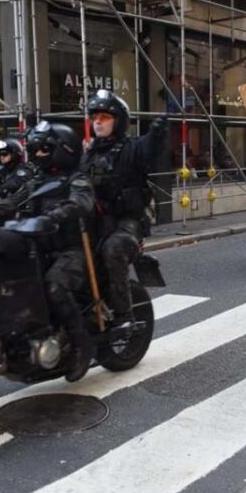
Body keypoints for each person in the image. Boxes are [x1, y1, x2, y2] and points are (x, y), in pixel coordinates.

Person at [0, 121, 95, 382]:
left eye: (44, 150)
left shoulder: (77, 178)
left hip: (70, 251)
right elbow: (11, 202)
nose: (38, 154)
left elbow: (81, 203)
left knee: (54, 288)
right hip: (37, 249)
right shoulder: (37, 180)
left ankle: (82, 346)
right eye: (35, 150)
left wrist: (53, 216)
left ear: (63, 150)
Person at [79, 89, 167, 326]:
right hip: (95, 221)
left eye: (105, 117)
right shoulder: (88, 155)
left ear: (118, 121)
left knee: (113, 249)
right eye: (95, 117)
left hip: (126, 222)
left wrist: (157, 134)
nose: (98, 122)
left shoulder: (131, 149)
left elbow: (148, 149)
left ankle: (124, 315)